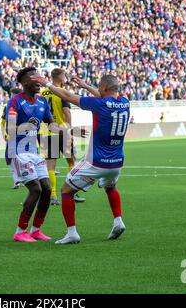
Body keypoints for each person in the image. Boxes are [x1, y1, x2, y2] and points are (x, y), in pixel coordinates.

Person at [31, 74, 130, 244]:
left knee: (66, 190)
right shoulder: (125, 103)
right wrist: (86, 86)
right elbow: (105, 96)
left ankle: (72, 233)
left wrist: (46, 83)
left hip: (96, 162)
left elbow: (68, 96)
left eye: (99, 87)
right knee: (110, 186)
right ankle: (118, 220)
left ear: (104, 88)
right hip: (117, 162)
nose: (97, 90)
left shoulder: (98, 105)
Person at [5, 67, 54, 243]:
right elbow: (9, 129)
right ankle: (20, 231)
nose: (39, 80)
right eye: (35, 78)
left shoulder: (42, 102)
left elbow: (51, 123)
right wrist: (27, 126)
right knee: (36, 189)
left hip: (33, 152)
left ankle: (36, 230)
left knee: (47, 190)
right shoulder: (15, 102)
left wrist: (70, 132)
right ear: (25, 82)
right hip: (17, 152)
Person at [39, 69, 86, 205]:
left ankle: (52, 195)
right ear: (60, 77)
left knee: (51, 165)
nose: (66, 78)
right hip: (62, 131)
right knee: (71, 162)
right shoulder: (61, 93)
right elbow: (67, 113)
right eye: (65, 75)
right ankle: (71, 192)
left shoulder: (42, 94)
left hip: (46, 132)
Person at [0, 87, 22, 190]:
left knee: (24, 158)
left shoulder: (23, 105)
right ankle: (16, 180)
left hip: (22, 137)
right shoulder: (8, 106)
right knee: (11, 159)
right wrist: (4, 132)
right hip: (13, 136)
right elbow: (3, 122)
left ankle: (24, 178)